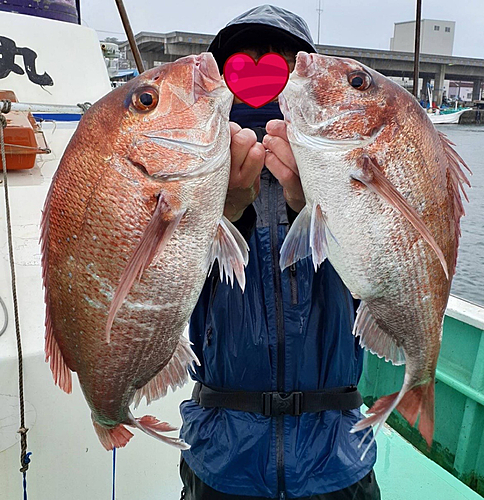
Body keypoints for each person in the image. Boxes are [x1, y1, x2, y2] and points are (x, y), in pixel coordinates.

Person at [179, 5, 381, 499]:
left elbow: (376, 284)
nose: (261, 71)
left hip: (336, 458)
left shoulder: (353, 173)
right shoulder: (185, 174)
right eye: (241, 61)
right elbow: (163, 290)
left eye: (283, 62)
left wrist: (309, 209)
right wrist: (225, 213)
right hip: (222, 458)